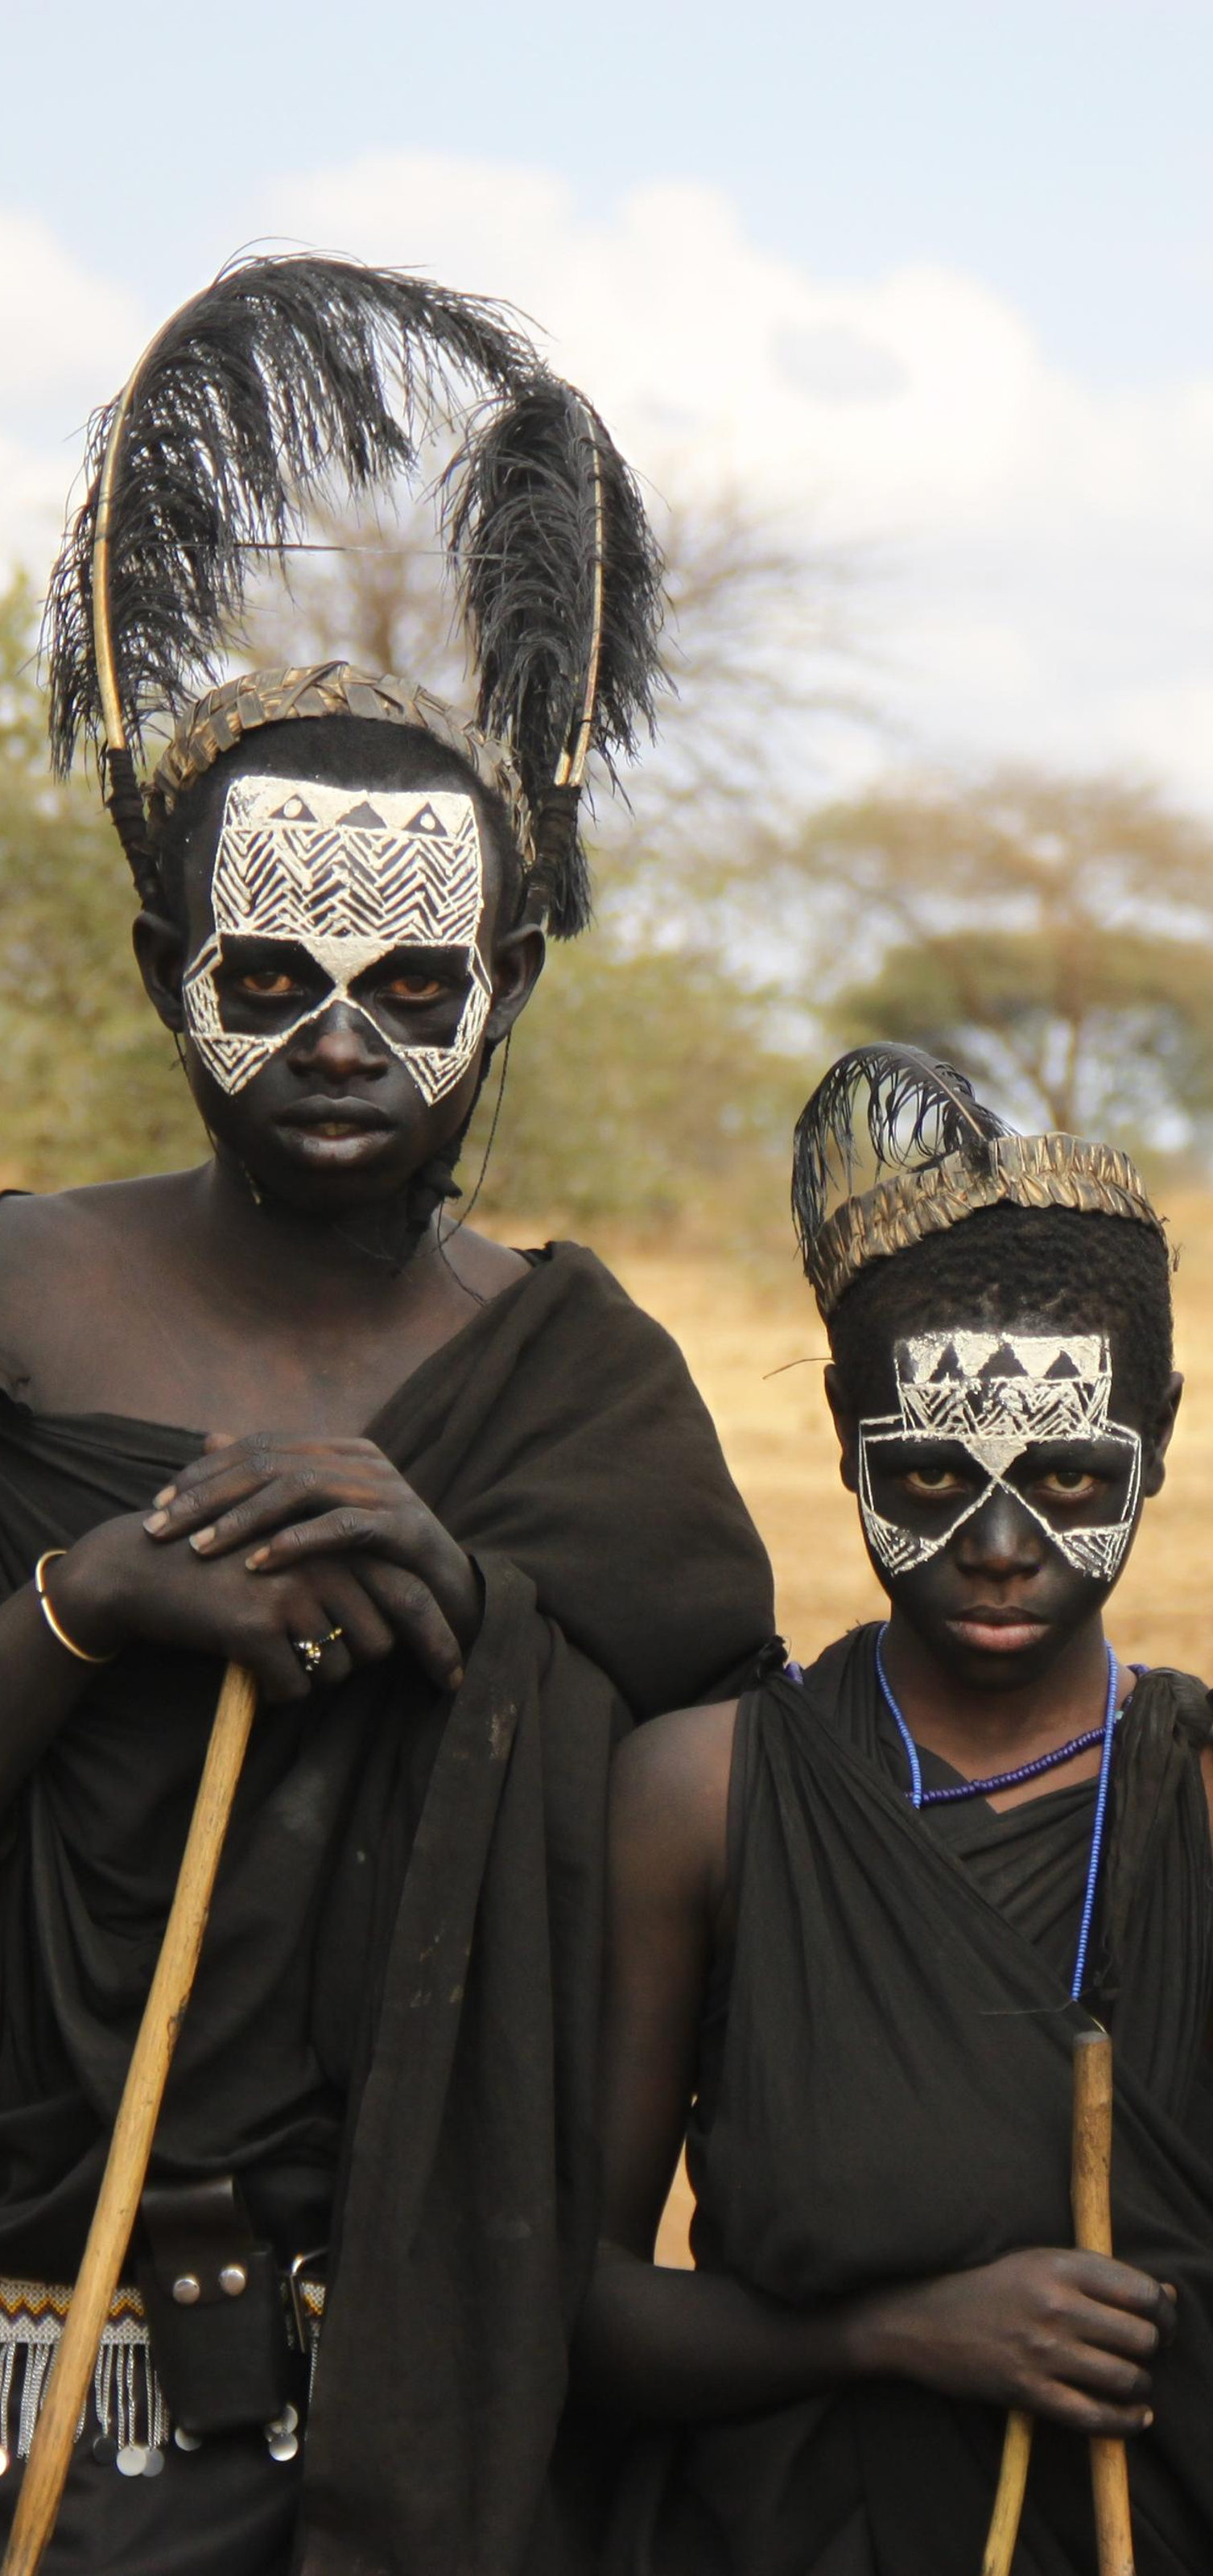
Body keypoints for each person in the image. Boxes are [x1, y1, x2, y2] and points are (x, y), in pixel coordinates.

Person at [0, 256, 776, 2576]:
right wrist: (84, 1606)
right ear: (167, 976)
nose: (344, 1038)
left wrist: (476, 1611)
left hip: (400, 2420)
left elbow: (718, 1833)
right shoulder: (18, 1298)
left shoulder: (581, 1383)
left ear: (508, 989)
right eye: (273, 977)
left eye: (413, 984)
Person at [578, 1044, 1213, 2575]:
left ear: (1165, 1435)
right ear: (841, 1434)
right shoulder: (706, 1795)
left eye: (1070, 1480)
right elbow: (580, 2302)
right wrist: (894, 2335)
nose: (1000, 1544)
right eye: (930, 1474)